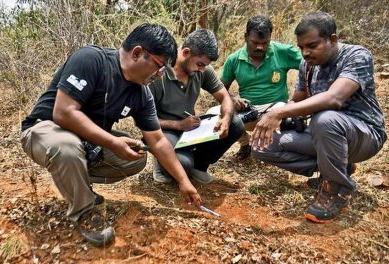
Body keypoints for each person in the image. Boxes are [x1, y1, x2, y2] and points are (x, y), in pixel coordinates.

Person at [20, 23, 203, 246]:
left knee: (137, 158)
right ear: (137, 53)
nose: (160, 74)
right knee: (66, 148)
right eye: (160, 66)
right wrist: (113, 142)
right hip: (45, 129)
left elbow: (157, 140)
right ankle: (85, 211)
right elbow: (64, 113)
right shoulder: (91, 60)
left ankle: (74, 183)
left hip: (85, 141)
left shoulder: (142, 93)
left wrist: (184, 181)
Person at [251, 11, 387, 223]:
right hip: (323, 136)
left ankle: (336, 190)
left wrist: (280, 112)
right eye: (301, 47)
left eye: (312, 46)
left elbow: (335, 98)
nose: (305, 53)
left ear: (332, 39)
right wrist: (279, 116)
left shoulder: (356, 56)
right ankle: (336, 170)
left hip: (364, 135)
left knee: (325, 119)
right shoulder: (307, 66)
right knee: (262, 146)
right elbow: (297, 100)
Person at [148, 29, 244, 184]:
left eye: (205, 66)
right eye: (200, 64)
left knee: (235, 124)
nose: (202, 70)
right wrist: (178, 125)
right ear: (186, 52)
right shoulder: (158, 74)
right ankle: (163, 162)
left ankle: (199, 166)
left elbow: (225, 97)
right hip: (164, 131)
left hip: (190, 129)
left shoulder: (202, 70)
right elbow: (143, 120)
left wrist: (225, 119)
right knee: (183, 164)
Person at [207, 15, 302, 160]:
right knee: (212, 115)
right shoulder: (234, 59)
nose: (260, 47)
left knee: (283, 109)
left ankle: (278, 148)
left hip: (276, 110)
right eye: (255, 42)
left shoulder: (284, 52)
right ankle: (245, 144)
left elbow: (311, 67)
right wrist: (233, 99)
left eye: (265, 43)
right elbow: (220, 89)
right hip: (247, 112)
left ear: (270, 38)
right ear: (245, 37)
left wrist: (297, 97)